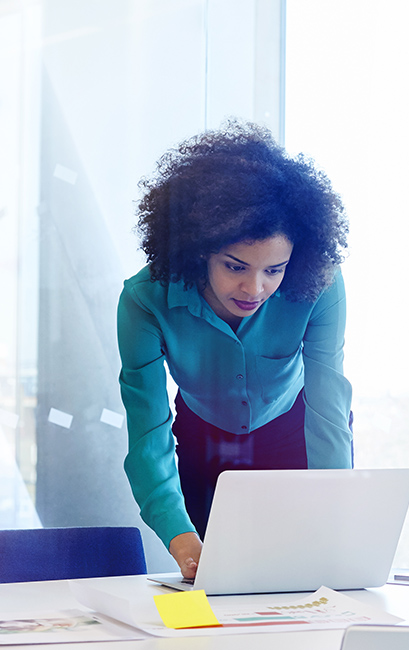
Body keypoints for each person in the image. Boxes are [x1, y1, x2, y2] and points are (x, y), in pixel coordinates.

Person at [117, 120, 353, 578]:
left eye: (275, 269)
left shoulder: (322, 286)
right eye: (235, 266)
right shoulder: (144, 299)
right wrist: (177, 533)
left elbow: (329, 411)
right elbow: (148, 433)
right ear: (197, 249)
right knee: (212, 582)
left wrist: (335, 512)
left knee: (310, 575)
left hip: (295, 432)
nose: (254, 287)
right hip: (204, 441)